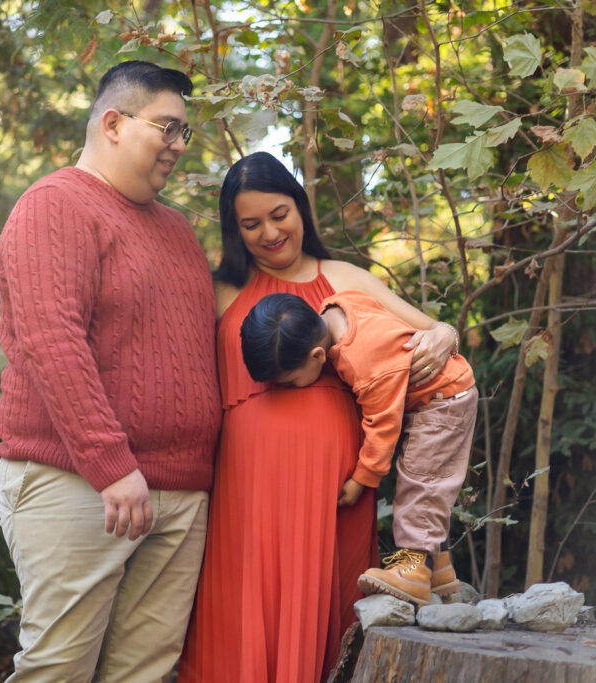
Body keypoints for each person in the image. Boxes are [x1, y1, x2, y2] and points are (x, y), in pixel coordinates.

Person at [178, 151, 457, 683]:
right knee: (240, 615)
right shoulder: (220, 290)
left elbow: (430, 330)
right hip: (245, 491)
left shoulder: (343, 278)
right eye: (251, 223)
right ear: (235, 230)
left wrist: (446, 333)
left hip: (338, 489)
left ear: (300, 206)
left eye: (279, 214)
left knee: (329, 619)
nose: (269, 232)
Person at [0, 60, 222, 681]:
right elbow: (51, 341)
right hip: (83, 482)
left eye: (184, 134)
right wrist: (111, 465)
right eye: (167, 128)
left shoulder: (176, 231)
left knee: (141, 674)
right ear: (114, 123)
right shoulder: (56, 204)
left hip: (179, 493)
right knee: (58, 670)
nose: (178, 146)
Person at [240, 291, 478, 606]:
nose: (287, 389)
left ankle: (415, 571)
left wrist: (362, 479)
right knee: (423, 482)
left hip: (442, 402)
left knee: (422, 483)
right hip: (435, 399)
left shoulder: (362, 359)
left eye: (289, 382)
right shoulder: (338, 305)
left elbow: (382, 425)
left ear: (317, 356)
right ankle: (440, 571)